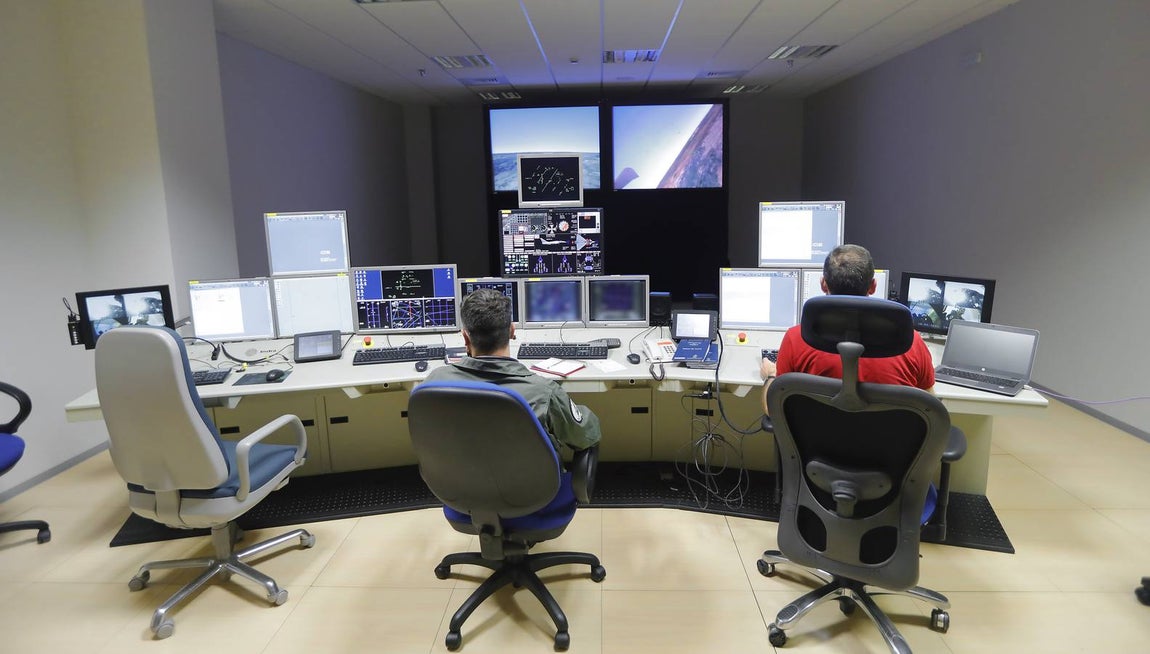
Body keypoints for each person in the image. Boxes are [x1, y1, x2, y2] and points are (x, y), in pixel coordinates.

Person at [760, 243, 934, 415]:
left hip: (817, 442)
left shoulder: (797, 337)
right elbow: (930, 408)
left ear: (823, 284)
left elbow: (772, 409)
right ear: (873, 286)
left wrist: (771, 375)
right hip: (890, 441)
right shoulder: (910, 342)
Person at [424, 288, 601, 452]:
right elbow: (585, 436)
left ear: (465, 336)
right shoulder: (543, 391)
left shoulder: (434, 382)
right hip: (530, 485)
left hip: (455, 482)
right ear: (511, 331)